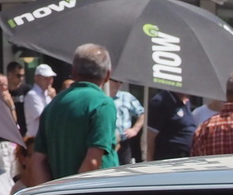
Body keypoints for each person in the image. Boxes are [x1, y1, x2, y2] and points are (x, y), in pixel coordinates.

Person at [31, 43, 117, 181]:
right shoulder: (103, 104)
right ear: (108, 75)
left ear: (74, 71)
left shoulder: (54, 104)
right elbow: (92, 162)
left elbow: (37, 161)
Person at [147, 89, 196, 160]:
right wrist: (150, 164)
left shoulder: (185, 102)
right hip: (169, 158)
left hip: (186, 157)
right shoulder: (161, 101)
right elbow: (150, 137)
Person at [111, 82, 146, 164]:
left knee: (124, 168)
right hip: (107, 142)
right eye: (115, 81)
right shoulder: (101, 96)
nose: (118, 84)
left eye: (120, 82)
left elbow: (142, 114)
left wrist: (135, 129)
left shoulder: (126, 97)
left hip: (124, 141)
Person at [21, 62, 55, 142]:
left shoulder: (49, 94)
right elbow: (43, 116)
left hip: (47, 138)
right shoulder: (32, 95)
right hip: (35, 139)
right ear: (36, 78)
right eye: (45, 78)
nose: (49, 81)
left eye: (51, 78)